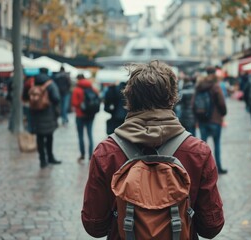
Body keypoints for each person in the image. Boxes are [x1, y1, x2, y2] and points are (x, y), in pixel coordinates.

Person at [81, 61, 224, 239]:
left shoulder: (106, 152)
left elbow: (94, 226)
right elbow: (211, 227)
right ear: (172, 98)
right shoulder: (197, 151)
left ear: (129, 98)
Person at [195, 66, 228, 174]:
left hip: (202, 119)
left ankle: (202, 168)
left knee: (203, 145)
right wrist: (223, 113)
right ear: (214, 73)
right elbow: (222, 103)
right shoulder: (215, 86)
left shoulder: (199, 85)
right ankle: (218, 167)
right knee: (217, 144)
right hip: (215, 120)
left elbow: (193, 103)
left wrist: (197, 116)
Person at [30, 68, 62, 168]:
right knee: (49, 137)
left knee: (39, 138)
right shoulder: (50, 84)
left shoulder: (34, 83)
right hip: (49, 114)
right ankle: (50, 157)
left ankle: (42, 160)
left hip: (36, 115)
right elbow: (56, 98)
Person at [71, 74, 100, 161]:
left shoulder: (77, 90)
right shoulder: (93, 88)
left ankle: (82, 154)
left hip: (80, 115)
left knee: (80, 135)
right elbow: (97, 99)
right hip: (91, 115)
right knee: (90, 134)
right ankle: (91, 155)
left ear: (78, 79)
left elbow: (74, 103)